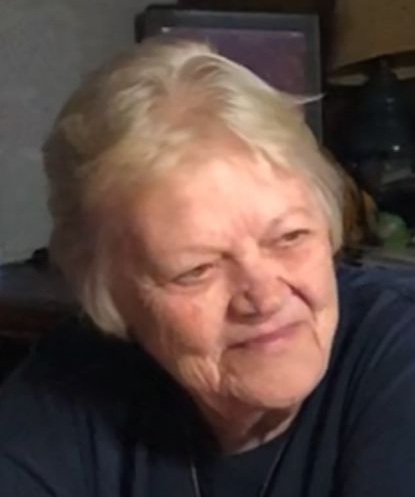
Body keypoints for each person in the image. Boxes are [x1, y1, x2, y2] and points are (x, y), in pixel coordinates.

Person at [1, 37, 415, 497]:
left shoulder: (398, 355)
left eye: (290, 238)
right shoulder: (68, 383)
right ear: (110, 298)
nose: (265, 297)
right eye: (196, 270)